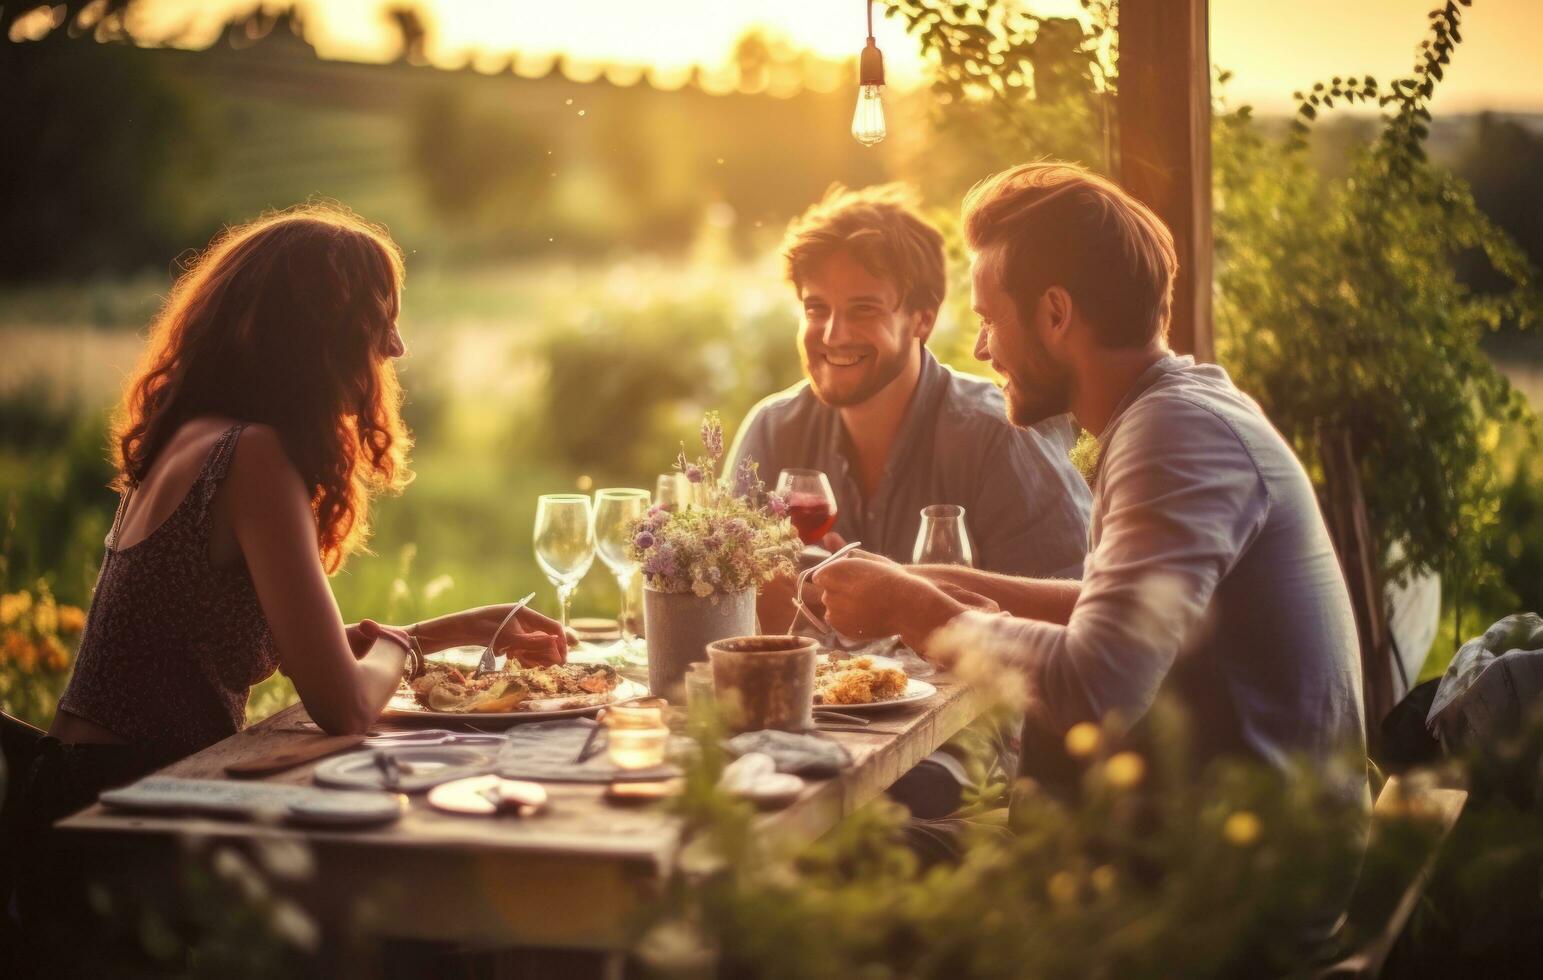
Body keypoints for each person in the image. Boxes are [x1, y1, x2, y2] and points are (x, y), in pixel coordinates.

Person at [814, 163, 1369, 808]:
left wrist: (910, 609)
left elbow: (1094, 684)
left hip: (1237, 884)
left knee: (847, 868)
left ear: (1055, 313)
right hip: (1221, 850)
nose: (983, 350)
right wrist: (935, 581)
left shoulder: (1177, 434)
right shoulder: (1173, 413)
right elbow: (1117, 613)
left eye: (990, 321)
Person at [23, 206, 567, 828]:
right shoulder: (250, 456)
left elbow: (316, 660)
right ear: (315, 338)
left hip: (91, 786)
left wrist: (457, 628)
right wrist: (395, 644)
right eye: (378, 322)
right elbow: (346, 709)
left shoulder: (196, 438)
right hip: (118, 816)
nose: (396, 346)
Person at [729, 183, 1091, 818]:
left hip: (959, 738)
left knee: (859, 813)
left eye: (863, 309)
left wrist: (913, 597)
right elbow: (728, 605)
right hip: (802, 724)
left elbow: (1077, 623)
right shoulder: (772, 429)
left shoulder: (1001, 437)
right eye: (816, 309)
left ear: (921, 317)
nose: (832, 334)